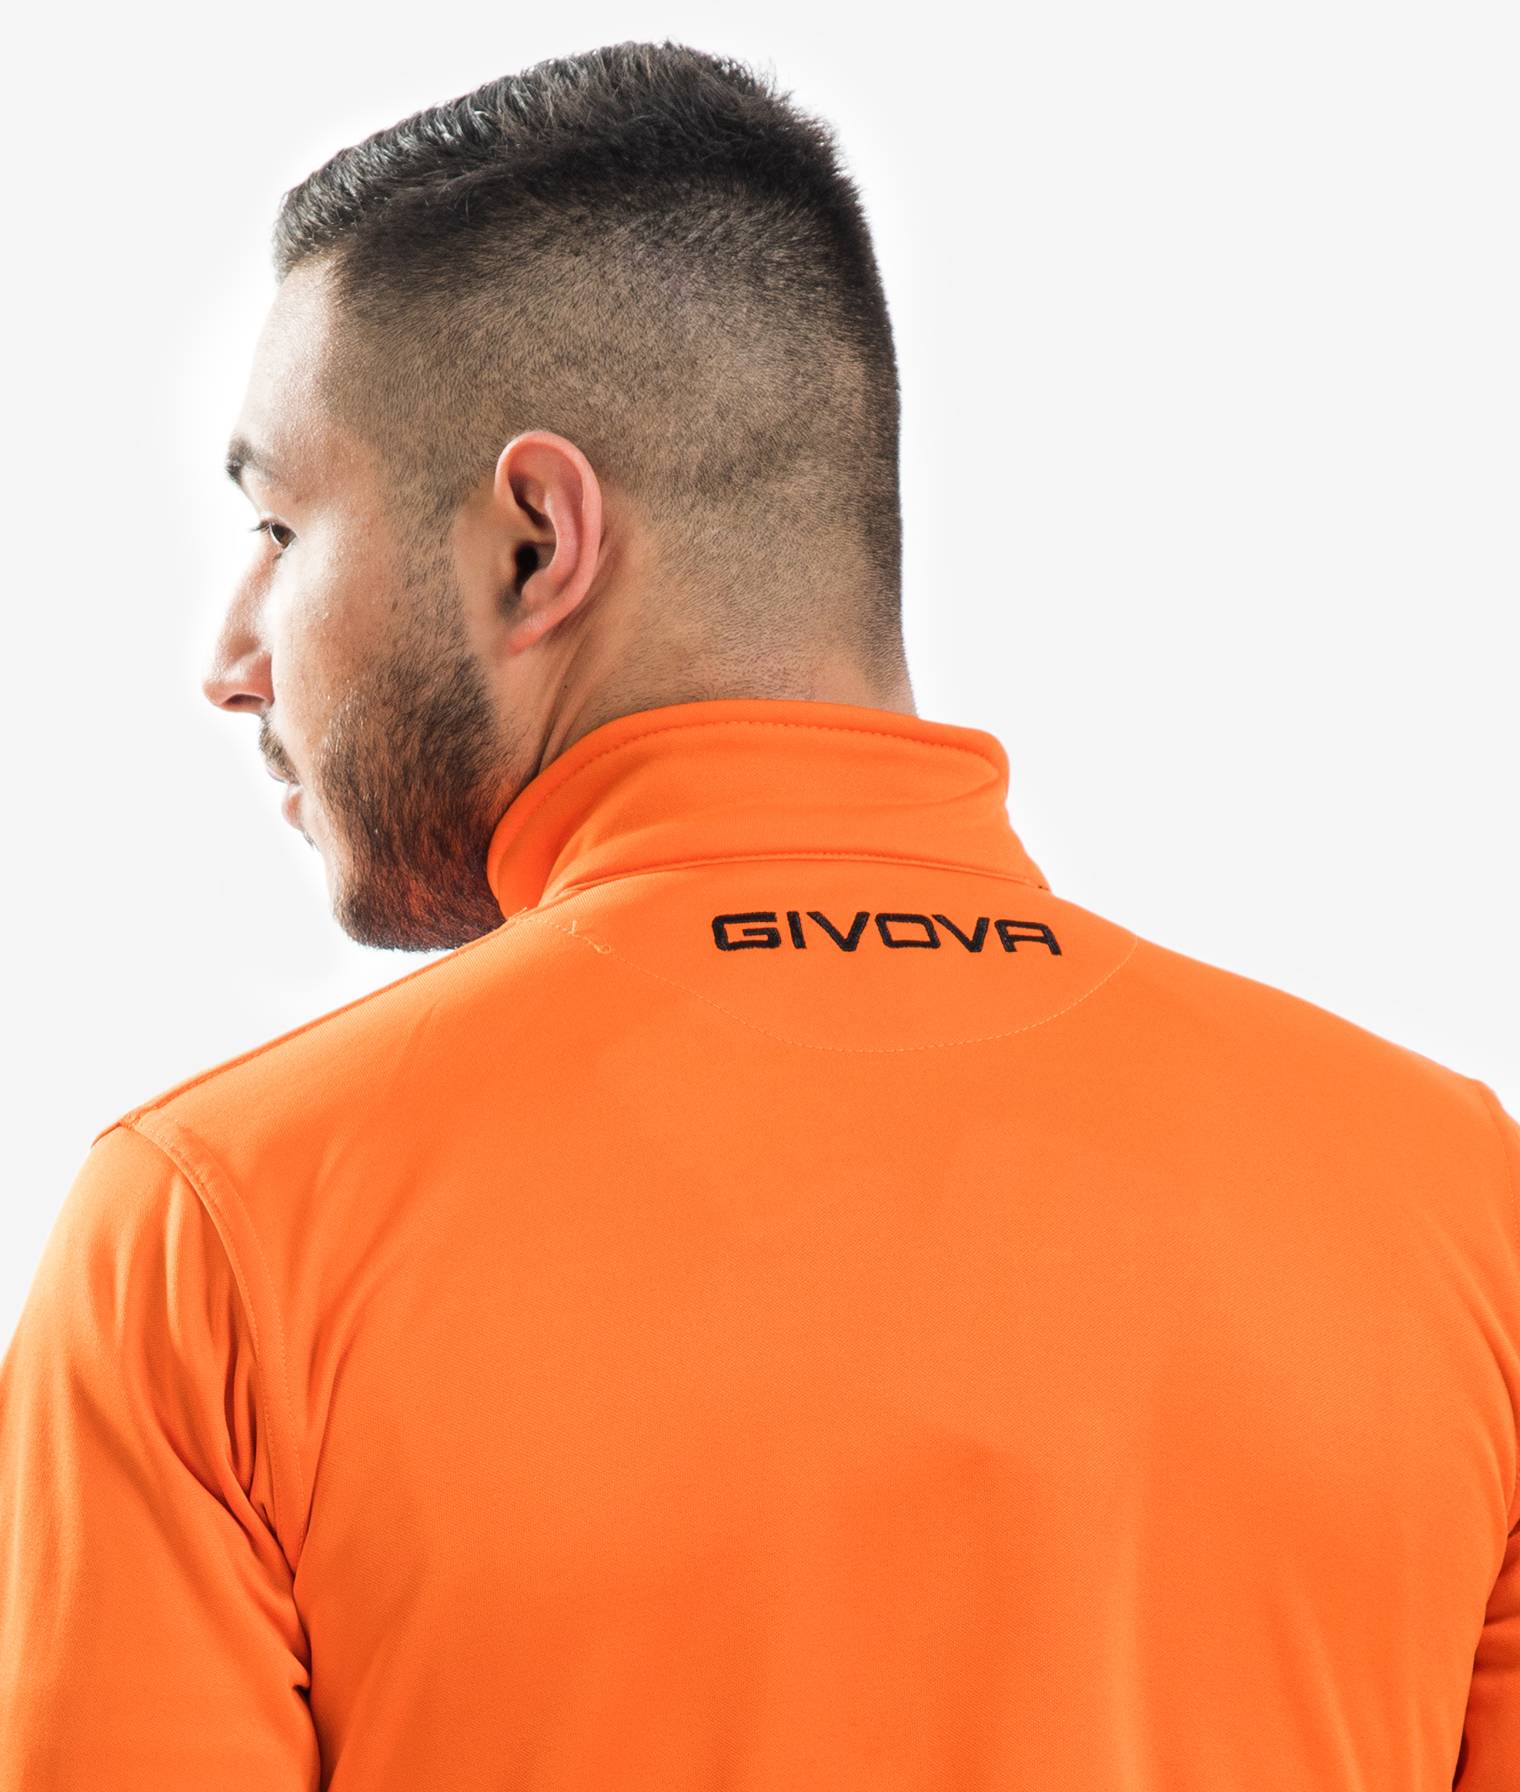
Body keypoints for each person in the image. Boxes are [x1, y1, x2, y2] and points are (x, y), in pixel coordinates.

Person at [0, 39, 1514, 1792]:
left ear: (534, 541)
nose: (232, 658)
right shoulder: (1462, 1210)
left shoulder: (215, 1240)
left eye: (280, 525)